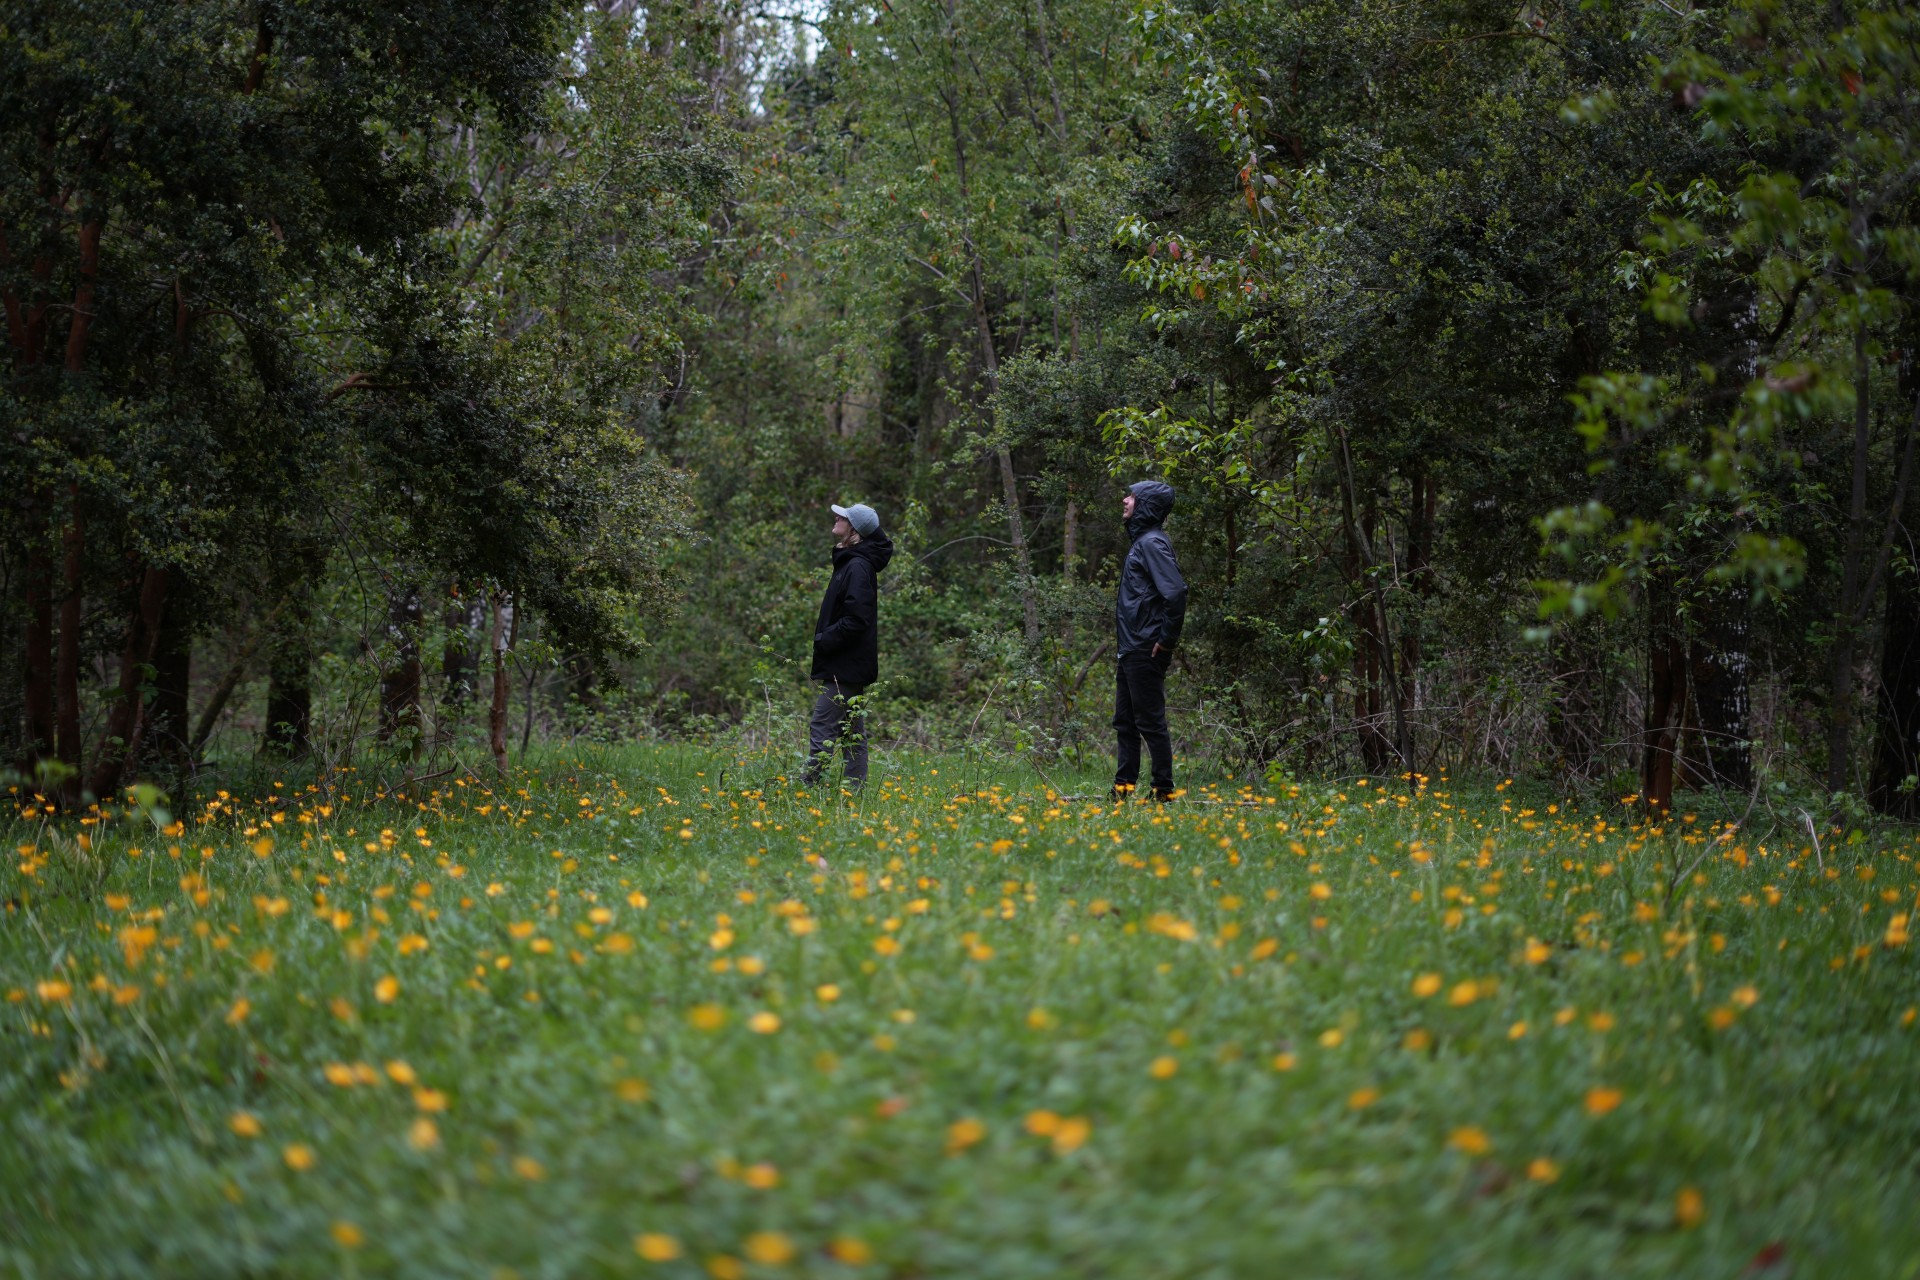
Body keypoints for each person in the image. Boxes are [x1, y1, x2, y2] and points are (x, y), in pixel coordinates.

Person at [805, 501, 893, 789]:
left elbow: (857, 619)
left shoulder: (857, 566)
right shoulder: (851, 561)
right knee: (850, 730)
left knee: (823, 724)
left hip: (846, 665)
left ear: (853, 529)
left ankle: (808, 787)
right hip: (848, 664)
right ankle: (855, 790)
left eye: (842, 517)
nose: (836, 517)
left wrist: (824, 639)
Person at [1113, 480, 1188, 801]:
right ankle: (1122, 791)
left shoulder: (1151, 544)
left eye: (1132, 497)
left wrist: (1167, 641)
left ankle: (1163, 793)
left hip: (1145, 646)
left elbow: (1176, 592)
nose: (1125, 501)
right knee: (1126, 723)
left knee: (1150, 722)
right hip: (1131, 647)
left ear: (1145, 505)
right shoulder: (1144, 542)